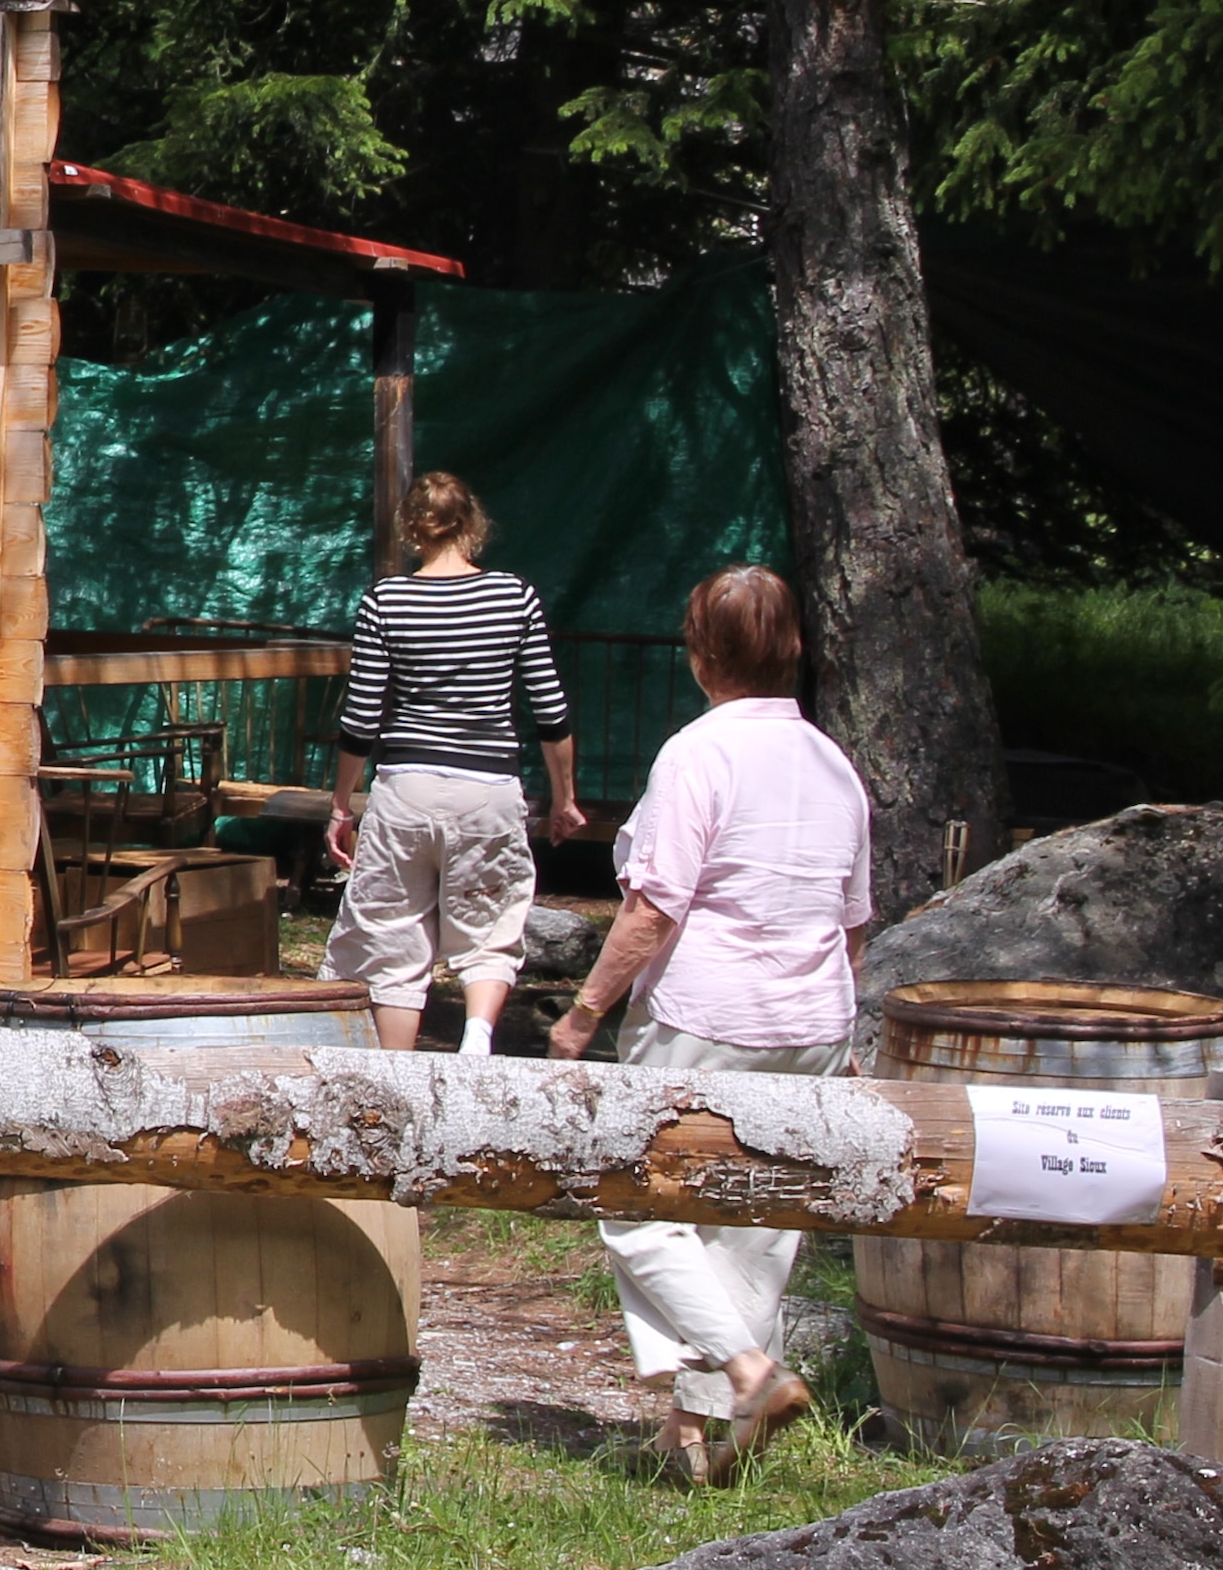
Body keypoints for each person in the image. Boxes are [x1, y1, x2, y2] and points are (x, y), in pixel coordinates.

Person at [544, 564, 875, 1482]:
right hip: (813, 1018)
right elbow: (853, 923)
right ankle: (701, 1438)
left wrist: (582, 1013)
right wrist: (838, 1036)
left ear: (698, 655)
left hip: (709, 1013)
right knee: (753, 1224)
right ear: (797, 647)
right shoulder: (834, 764)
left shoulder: (698, 754)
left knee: (635, 1201)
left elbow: (654, 910)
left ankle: (748, 1371)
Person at [327, 471, 588, 1055]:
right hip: (488, 787)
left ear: (412, 530)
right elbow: (549, 707)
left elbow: (361, 715)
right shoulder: (513, 595)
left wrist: (341, 806)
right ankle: (476, 1039)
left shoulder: (385, 599)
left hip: (407, 787)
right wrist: (565, 795)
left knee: (392, 938)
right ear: (473, 524)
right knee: (491, 926)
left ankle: (396, 1074)